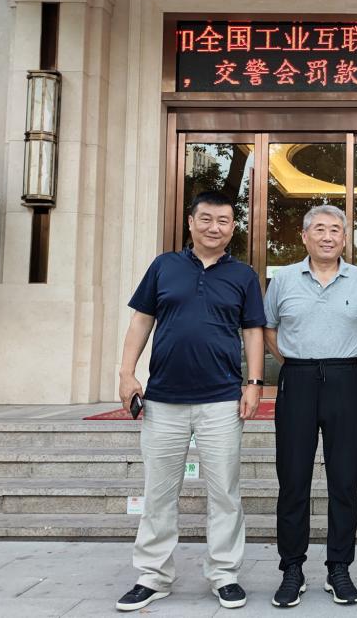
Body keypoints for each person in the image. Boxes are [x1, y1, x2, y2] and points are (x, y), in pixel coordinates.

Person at [115, 190, 265, 612]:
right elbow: (141, 320)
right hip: (164, 399)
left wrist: (254, 382)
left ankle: (224, 574)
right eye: (206, 219)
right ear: (190, 222)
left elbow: (253, 330)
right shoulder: (164, 266)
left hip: (221, 400)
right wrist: (126, 373)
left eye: (223, 221)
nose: (214, 227)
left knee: (225, 493)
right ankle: (153, 576)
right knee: (159, 492)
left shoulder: (243, 276)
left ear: (232, 227)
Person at [263, 205, 357, 607]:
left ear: (345, 238)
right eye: (320, 229)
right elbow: (269, 329)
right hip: (298, 379)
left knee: (344, 480)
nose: (328, 237)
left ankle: (339, 568)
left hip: (345, 379)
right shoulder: (283, 279)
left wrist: (344, 364)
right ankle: (292, 568)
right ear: (304, 236)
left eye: (335, 230)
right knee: (293, 479)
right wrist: (297, 362)